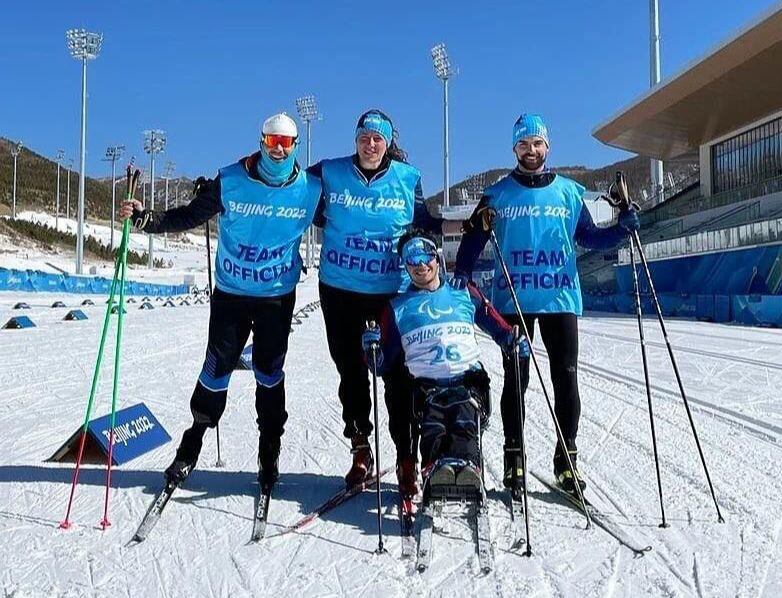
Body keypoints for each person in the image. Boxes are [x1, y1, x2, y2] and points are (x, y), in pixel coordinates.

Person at [119, 113, 322, 491]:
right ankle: (192, 442)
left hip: (276, 298)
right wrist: (148, 219)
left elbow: (349, 220)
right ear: (261, 140)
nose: (278, 150)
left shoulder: (311, 189)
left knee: (269, 372)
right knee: (216, 370)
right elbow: (189, 215)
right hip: (231, 294)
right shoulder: (230, 180)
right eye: (272, 141)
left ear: (296, 145)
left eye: (286, 143)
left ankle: (269, 449)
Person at [454, 113, 640, 495]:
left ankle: (566, 460)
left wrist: (622, 228)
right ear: (514, 149)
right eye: (524, 144)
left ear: (547, 147)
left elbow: (591, 238)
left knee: (565, 378)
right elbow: (473, 240)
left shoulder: (570, 193)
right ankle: (514, 459)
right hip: (514, 302)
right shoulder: (497, 194)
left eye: (537, 144)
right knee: (516, 382)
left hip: (559, 298)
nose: (531, 150)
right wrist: (463, 273)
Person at [310, 109, 457, 495]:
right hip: (340, 289)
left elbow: (425, 222)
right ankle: (361, 447)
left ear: (388, 142)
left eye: (378, 138)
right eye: (364, 138)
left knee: (398, 375)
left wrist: (469, 226)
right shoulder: (329, 171)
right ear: (356, 140)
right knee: (351, 371)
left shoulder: (408, 178)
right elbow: (289, 188)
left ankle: (406, 457)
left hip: (389, 293)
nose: (371, 144)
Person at [362, 230, 529, 499]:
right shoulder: (398, 307)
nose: (420, 266)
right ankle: (436, 468)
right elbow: (382, 364)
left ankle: (466, 466)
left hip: (468, 381)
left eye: (425, 256)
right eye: (411, 260)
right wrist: (371, 350)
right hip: (427, 387)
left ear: (436, 257)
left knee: (464, 415)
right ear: (405, 265)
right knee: (434, 422)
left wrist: (513, 339)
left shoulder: (464, 292)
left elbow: (498, 327)